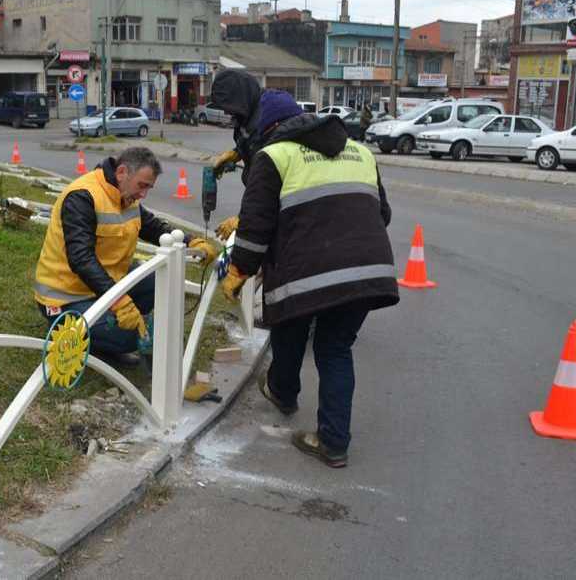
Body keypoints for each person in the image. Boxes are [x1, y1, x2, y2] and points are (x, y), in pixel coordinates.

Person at [220, 90, 400, 469]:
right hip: (368, 270)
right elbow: (381, 213)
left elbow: (255, 228)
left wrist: (239, 271)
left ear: (266, 129)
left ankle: (285, 394)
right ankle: (332, 442)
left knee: (288, 324)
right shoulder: (361, 152)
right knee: (335, 349)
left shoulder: (275, 156)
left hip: (305, 271)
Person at [33, 147, 217, 362]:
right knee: (132, 337)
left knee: (162, 281)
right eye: (142, 185)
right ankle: (75, 335)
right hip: (65, 297)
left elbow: (151, 226)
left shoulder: (124, 194)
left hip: (105, 284)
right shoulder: (82, 197)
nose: (143, 194)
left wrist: (189, 240)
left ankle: (107, 328)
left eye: (148, 187)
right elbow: (81, 259)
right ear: (122, 172)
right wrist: (119, 301)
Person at [205, 69, 264, 240]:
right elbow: (248, 140)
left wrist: (244, 218)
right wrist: (236, 153)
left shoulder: (266, 122)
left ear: (239, 99)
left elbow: (267, 185)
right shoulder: (246, 115)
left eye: (228, 107)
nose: (226, 113)